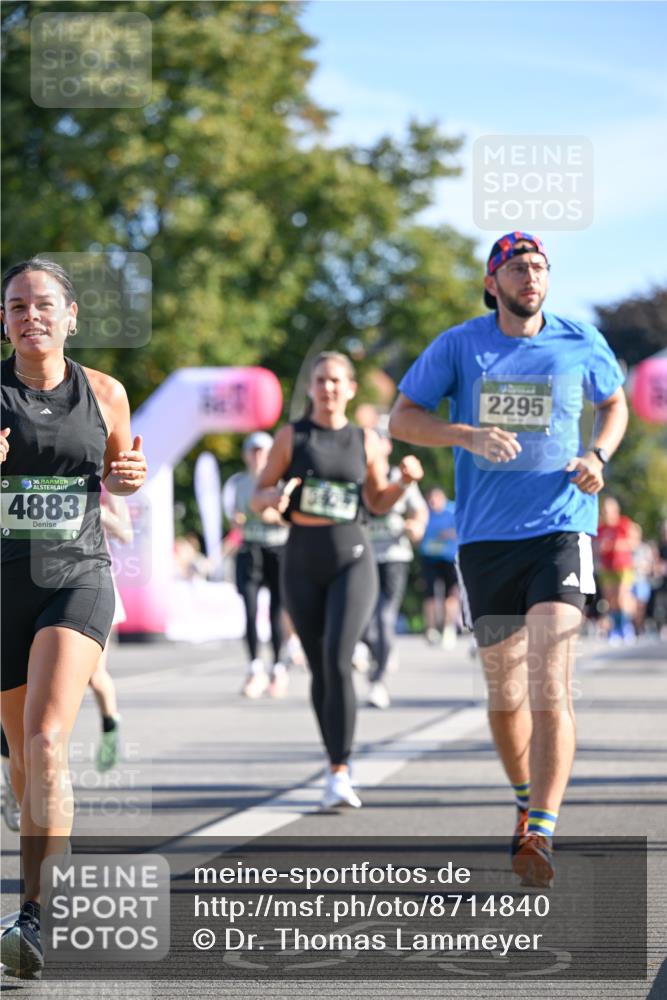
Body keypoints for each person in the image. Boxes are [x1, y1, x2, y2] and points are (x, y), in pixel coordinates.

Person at [389, 231, 627, 887]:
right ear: (492, 282)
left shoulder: (579, 340)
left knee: (551, 675)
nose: (531, 276)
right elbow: (401, 419)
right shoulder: (459, 345)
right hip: (486, 540)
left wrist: (596, 456)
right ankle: (524, 797)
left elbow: (615, 405)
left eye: (540, 267)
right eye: (518, 268)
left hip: (560, 528)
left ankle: (542, 830)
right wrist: (462, 433)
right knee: (505, 690)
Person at [0, 258, 147, 977]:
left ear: (72, 316)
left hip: (77, 575)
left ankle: (35, 912)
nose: (32, 316)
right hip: (2, 586)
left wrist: (129, 478)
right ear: (4, 320)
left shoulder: (106, 392)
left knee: (48, 738)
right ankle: (35, 848)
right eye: (17, 306)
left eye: (44, 304)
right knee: (26, 761)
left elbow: (125, 469)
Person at [252, 352, 423, 809]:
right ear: (311, 388)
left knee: (339, 656)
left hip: (352, 557)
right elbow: (259, 496)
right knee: (320, 666)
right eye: (321, 380)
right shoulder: (293, 437)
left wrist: (403, 482)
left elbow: (378, 500)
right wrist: (273, 495)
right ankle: (333, 760)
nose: (327, 388)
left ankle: (341, 771)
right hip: (301, 559)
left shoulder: (365, 440)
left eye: (336, 381)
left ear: (350, 389)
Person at [363, 428, 428, 708]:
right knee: (363, 623)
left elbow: (420, 511)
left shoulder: (401, 479)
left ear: (387, 446)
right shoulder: (357, 479)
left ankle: (377, 680)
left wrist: (416, 526)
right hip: (361, 557)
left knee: (384, 616)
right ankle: (378, 653)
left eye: (378, 441)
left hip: (393, 556)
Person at [222, 431, 289, 698]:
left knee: (276, 612)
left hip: (278, 549)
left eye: (263, 450)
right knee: (249, 610)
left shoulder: (281, 482)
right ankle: (254, 668)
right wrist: (237, 522)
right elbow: (233, 518)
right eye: (253, 450)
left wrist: (276, 517)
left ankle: (278, 669)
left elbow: (293, 520)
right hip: (250, 550)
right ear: (246, 455)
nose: (258, 455)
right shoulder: (238, 483)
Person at [89, 490, 133, 771]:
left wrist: (94, 508)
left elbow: (126, 533)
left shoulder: (106, 481)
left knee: (93, 676)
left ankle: (109, 726)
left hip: (91, 579)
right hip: (32, 576)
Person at [418, 487, 460, 648]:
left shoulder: (454, 510)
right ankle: (431, 629)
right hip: (429, 557)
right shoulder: (424, 511)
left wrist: (449, 533)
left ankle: (449, 628)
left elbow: (465, 529)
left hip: (449, 558)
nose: (433, 503)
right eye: (430, 500)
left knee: (452, 594)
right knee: (430, 595)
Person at [596, 496, 638, 643]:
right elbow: (595, 546)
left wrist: (617, 545)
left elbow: (634, 541)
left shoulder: (624, 524)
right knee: (610, 600)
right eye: (604, 511)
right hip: (607, 567)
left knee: (621, 598)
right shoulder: (600, 528)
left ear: (615, 511)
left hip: (623, 566)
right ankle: (615, 629)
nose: (606, 513)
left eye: (608, 510)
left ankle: (625, 627)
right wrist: (600, 547)